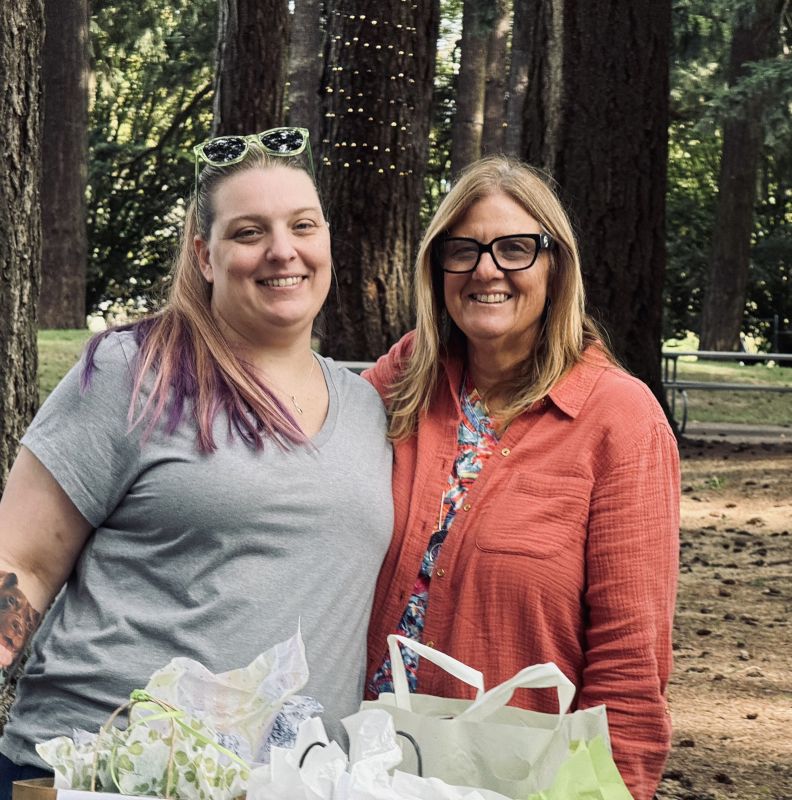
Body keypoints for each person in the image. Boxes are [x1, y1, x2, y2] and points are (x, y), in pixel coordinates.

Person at [0, 127, 393, 795]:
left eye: (302, 225)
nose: (282, 251)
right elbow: (22, 564)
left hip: (290, 783)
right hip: (98, 773)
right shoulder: (131, 370)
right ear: (203, 255)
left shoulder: (367, 408)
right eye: (248, 232)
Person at [363, 156, 680, 800]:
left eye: (515, 248)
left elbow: (629, 660)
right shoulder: (404, 379)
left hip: (511, 780)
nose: (487, 269)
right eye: (464, 249)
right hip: (360, 760)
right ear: (438, 267)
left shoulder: (620, 419)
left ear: (555, 265)